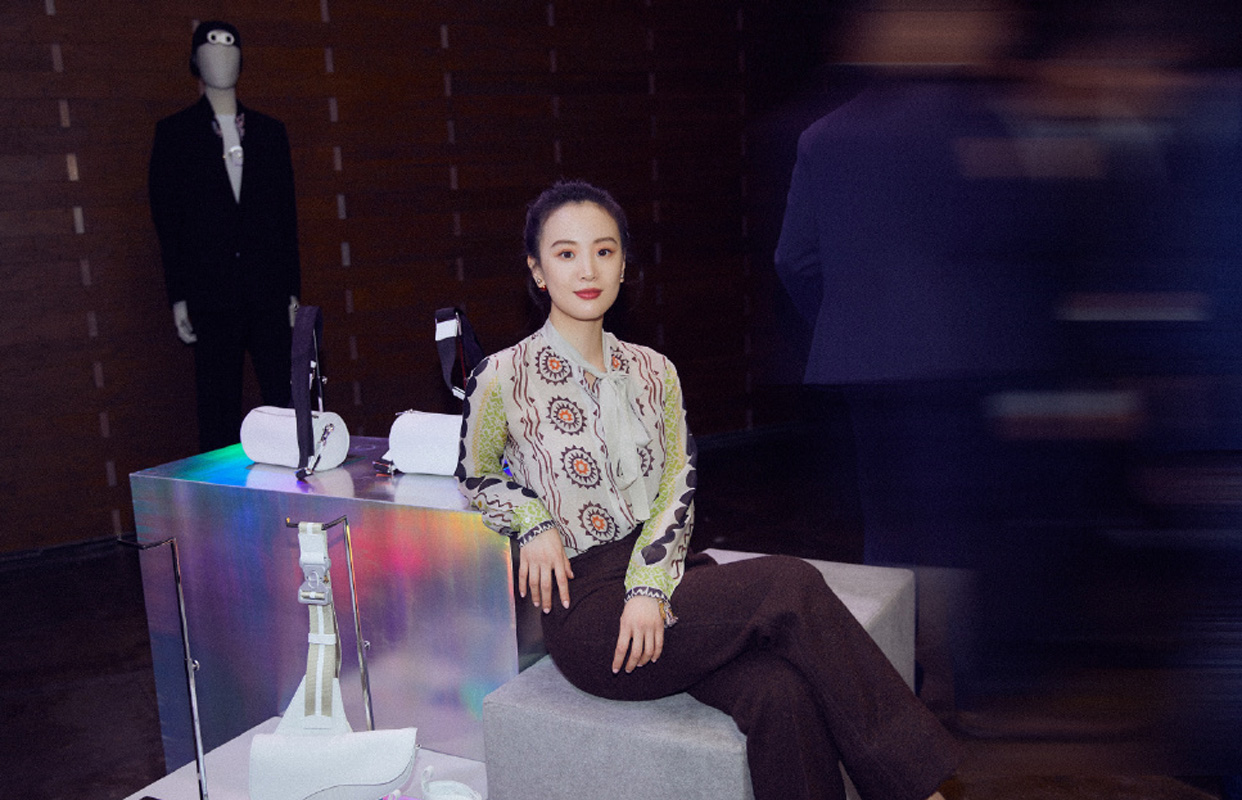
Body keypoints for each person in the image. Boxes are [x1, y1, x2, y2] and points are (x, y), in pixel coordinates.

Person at [456, 180, 959, 800]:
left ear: (622, 265)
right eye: (565, 253)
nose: (587, 270)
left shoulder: (655, 371)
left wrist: (649, 584)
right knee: (790, 583)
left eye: (604, 251)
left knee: (778, 691)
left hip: (667, 574)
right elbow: (475, 473)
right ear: (537, 270)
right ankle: (922, 791)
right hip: (588, 608)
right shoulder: (502, 375)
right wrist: (531, 519)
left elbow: (679, 481)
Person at [149, 20, 301, 453]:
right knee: (217, 407)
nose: (222, 54)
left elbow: (285, 216)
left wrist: (292, 288)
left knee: (286, 400)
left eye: (230, 45)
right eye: (211, 46)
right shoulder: (175, 134)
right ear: (195, 60)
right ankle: (218, 491)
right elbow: (169, 221)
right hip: (210, 291)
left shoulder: (269, 133)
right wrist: (179, 294)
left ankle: (297, 477)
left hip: (268, 289)